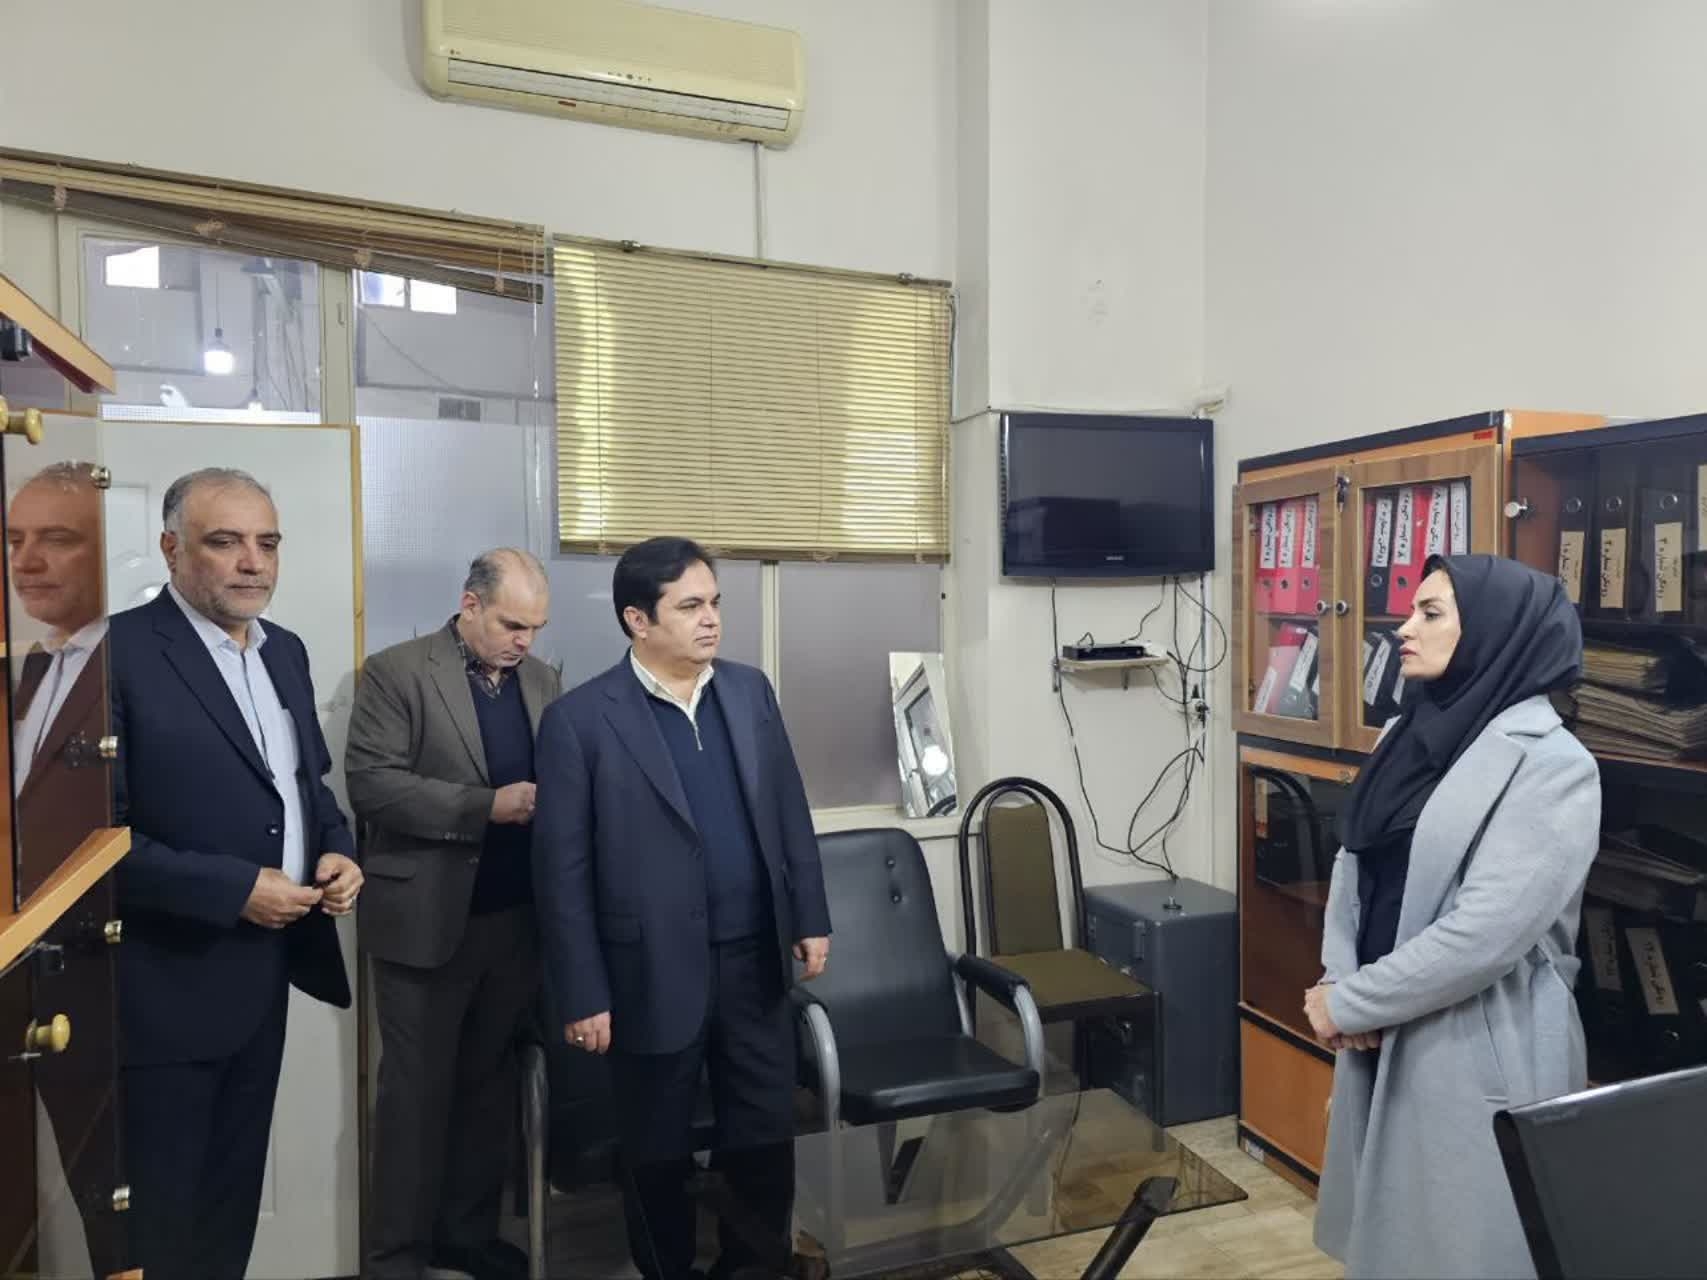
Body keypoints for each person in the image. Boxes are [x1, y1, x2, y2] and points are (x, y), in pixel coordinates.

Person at [532, 537, 831, 1280]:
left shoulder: (749, 692)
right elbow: (561, 872)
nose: (711, 620)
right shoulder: (580, 720)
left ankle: (753, 1269)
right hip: (649, 970)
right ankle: (667, 1270)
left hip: (754, 960)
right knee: (656, 1148)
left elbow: (788, 809)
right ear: (638, 620)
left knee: (762, 1138)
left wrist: (809, 915)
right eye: (690, 606)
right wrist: (583, 991)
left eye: (714, 603)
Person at [1306, 553, 1600, 1279]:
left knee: (1463, 1249)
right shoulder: (1404, 734)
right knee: (1390, 1239)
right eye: (1412, 609)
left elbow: (1486, 934)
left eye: (1430, 613)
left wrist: (1353, 1001)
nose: (1403, 628)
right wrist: (1340, 980)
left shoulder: (1553, 765)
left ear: (1496, 632)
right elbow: (1355, 861)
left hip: (1474, 1039)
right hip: (1380, 1022)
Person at [109, 466, 364, 1279]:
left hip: (264, 979)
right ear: (171, 548)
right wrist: (233, 890)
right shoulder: (110, 654)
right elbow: (87, 843)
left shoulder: (284, 650)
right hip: (160, 989)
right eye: (225, 542)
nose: (253, 562)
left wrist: (337, 848)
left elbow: (305, 786)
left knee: (228, 1206)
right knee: (158, 1225)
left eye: (268, 543)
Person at [346, 549, 560, 1280]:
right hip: (425, 922)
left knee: (487, 1088)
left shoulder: (542, 680)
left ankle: (464, 1239)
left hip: (515, 921)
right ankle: (397, 1258)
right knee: (414, 1099)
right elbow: (373, 786)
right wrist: (484, 806)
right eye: (511, 624)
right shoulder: (398, 672)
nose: (524, 640)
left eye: (534, 627)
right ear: (470, 605)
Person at [8, 462, 110, 893]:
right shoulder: (36, 661)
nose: (25, 562)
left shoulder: (138, 659)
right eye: (15, 541)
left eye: (58, 539)